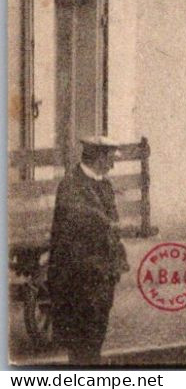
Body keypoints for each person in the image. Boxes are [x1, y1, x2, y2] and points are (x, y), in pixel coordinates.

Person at [50, 136, 129, 364]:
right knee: (81, 340)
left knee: (96, 335)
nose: (112, 165)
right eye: (110, 159)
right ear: (99, 157)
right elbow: (84, 224)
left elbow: (112, 223)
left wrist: (114, 266)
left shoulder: (103, 184)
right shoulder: (71, 185)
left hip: (101, 276)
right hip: (78, 277)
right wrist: (109, 226)